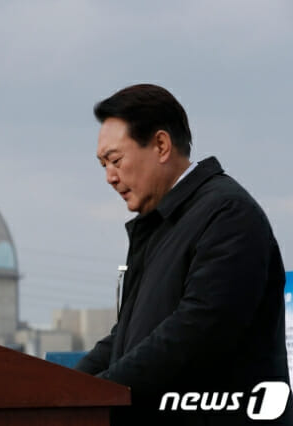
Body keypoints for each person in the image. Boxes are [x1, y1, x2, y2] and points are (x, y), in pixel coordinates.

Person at [75, 84, 292, 425]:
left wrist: (97, 394)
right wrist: (68, 388)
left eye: (115, 160)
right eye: (103, 165)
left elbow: (197, 331)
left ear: (161, 145)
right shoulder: (160, 225)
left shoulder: (227, 214)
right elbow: (128, 334)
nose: (109, 178)